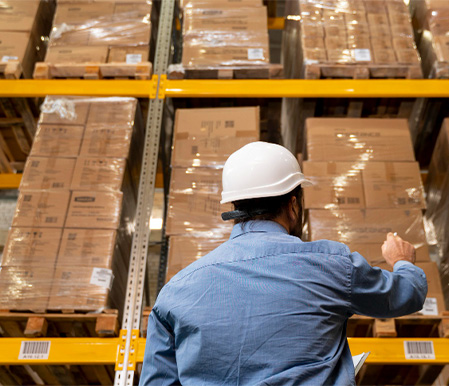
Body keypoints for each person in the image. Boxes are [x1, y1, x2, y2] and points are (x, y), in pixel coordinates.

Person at [140, 141, 427, 385]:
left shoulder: (174, 293)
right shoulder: (332, 265)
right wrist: (402, 261)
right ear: (292, 207)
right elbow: (405, 295)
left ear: (235, 208)